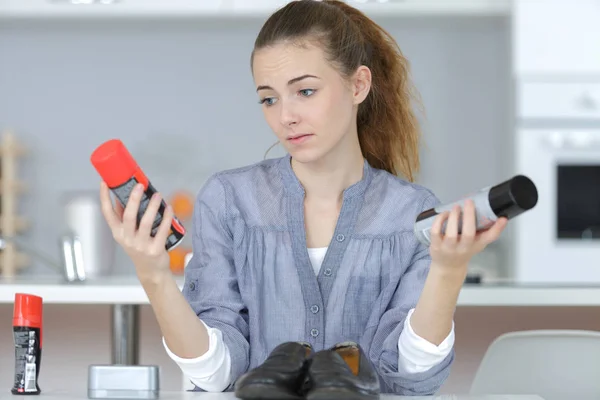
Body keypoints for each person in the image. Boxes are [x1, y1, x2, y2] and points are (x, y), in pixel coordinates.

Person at [99, 0, 507, 396]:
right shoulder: (228, 200)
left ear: (358, 85)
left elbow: (410, 378)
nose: (285, 116)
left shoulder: (410, 212)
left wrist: (448, 271)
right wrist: (152, 274)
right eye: (269, 98)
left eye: (305, 92)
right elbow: (217, 375)